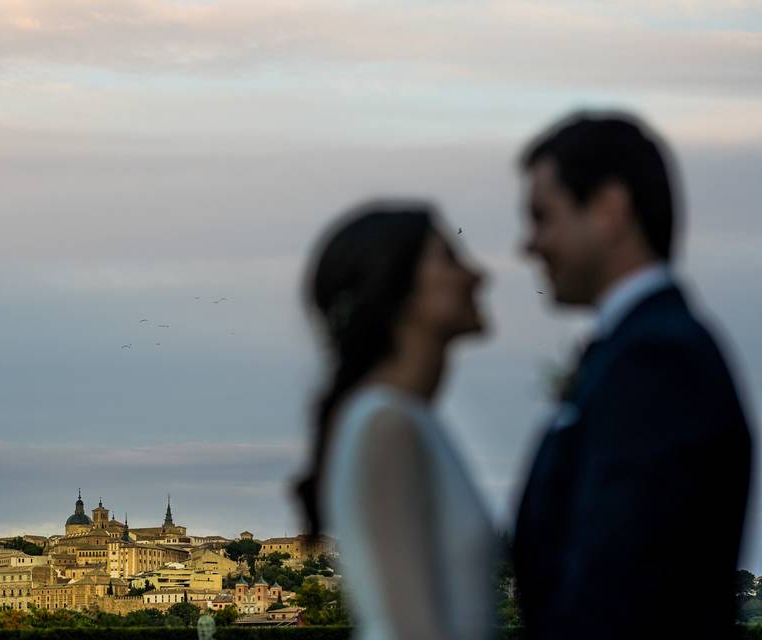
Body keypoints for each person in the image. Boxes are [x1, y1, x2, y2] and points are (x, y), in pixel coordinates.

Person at [513, 111, 752, 639]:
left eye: (542, 217)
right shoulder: (639, 349)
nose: (528, 245)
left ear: (609, 209)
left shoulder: (657, 360)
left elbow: (617, 590)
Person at [295, 200, 495, 640]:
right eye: (450, 258)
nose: (479, 275)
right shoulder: (389, 424)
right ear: (398, 289)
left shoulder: (404, 420)